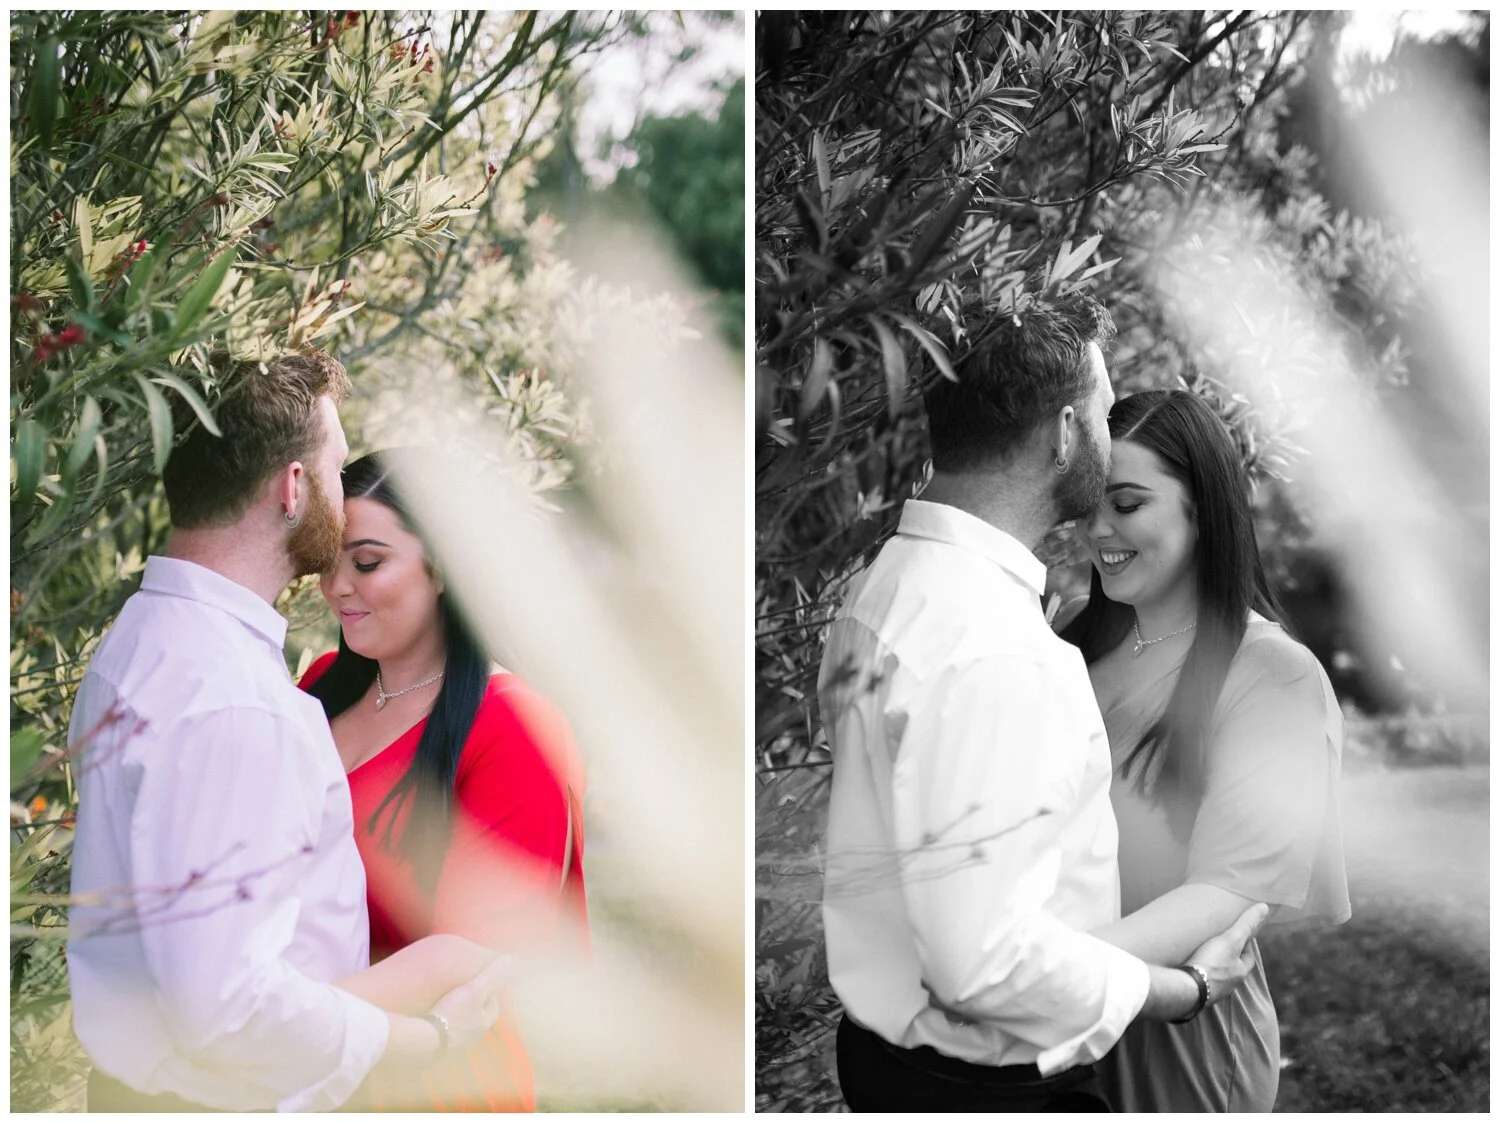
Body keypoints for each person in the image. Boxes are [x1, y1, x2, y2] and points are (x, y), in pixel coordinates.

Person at [818, 296, 1271, 1112]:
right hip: (990, 1087)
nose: (1107, 432)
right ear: (1063, 434)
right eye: (1101, 413)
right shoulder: (997, 651)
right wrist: (1181, 988)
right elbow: (987, 962)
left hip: (889, 1062)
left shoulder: (883, 589)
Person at [67, 352, 509, 1113]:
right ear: (294, 487)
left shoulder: (144, 634)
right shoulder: (237, 702)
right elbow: (229, 1010)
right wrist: (427, 1035)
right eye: (337, 469)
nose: (343, 491)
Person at [1060, 389, 1350, 1111]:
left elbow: (1225, 889)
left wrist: (1044, 977)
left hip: (1177, 1039)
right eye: (1088, 501)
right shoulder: (1070, 638)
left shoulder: (1274, 675)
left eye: (1126, 503)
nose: (1098, 529)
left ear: (1204, 506)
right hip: (1052, 1036)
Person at [300, 450, 588, 1112]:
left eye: (367, 562)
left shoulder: (516, 726)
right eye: (328, 561)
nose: (337, 585)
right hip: (298, 1075)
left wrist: (277, 1028)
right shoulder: (318, 687)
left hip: (431, 1077)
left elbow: (469, 947)